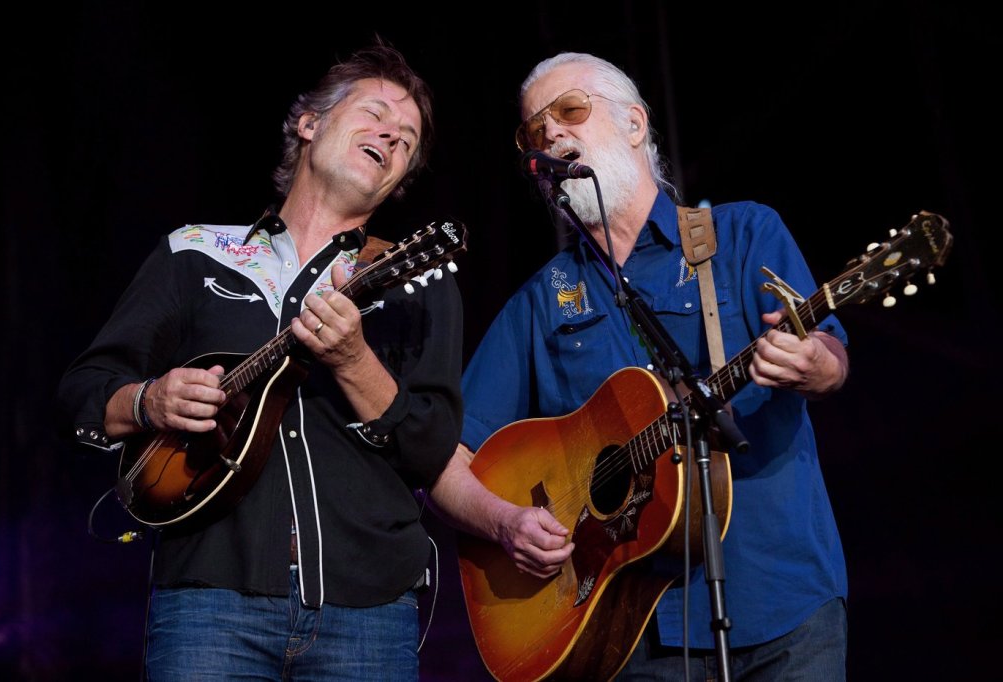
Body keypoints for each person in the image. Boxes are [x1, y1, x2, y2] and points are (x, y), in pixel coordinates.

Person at [430, 52, 850, 680]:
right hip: (630, 631)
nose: (551, 132)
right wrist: (506, 522)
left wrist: (817, 363)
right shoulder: (542, 301)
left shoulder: (740, 233)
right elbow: (443, 456)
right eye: (534, 129)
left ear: (634, 123)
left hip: (781, 598)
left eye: (570, 109)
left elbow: (830, 356)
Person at [57, 42, 463, 680]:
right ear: (309, 124)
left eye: (407, 140)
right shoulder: (194, 252)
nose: (391, 135)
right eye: (375, 113)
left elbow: (432, 446)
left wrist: (354, 361)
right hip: (209, 602)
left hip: (369, 612)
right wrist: (149, 400)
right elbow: (84, 390)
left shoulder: (416, 280)